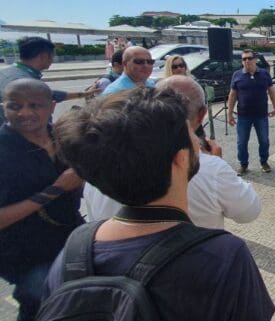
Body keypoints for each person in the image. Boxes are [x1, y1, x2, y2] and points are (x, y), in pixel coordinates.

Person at [47, 87, 275, 321]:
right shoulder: (222, 254)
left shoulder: (76, 248)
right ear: (180, 159)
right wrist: (218, 166)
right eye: (189, 132)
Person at [83, 75, 262, 230]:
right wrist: (217, 167)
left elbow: (94, 218)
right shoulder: (209, 168)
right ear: (201, 116)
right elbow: (248, 211)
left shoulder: (103, 164)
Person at [0, 79, 84, 321]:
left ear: (52, 106)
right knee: (37, 307)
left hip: (70, 239)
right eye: (15, 106)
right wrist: (55, 190)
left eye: (34, 105)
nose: (24, 113)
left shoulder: (62, 139)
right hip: (25, 252)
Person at [0, 37, 98, 124]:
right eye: (52, 56)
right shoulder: (22, 83)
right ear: (43, 56)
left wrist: (84, 94)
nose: (52, 60)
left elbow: (50, 94)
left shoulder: (9, 72)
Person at [228, 50, 275, 175]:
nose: (247, 61)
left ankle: (264, 162)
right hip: (243, 115)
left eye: (249, 58)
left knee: (264, 140)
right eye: (244, 59)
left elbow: (271, 91)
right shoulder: (237, 75)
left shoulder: (264, 74)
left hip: (261, 115)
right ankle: (243, 164)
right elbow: (232, 95)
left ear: (255, 59)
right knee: (242, 142)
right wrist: (229, 113)